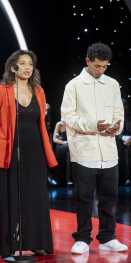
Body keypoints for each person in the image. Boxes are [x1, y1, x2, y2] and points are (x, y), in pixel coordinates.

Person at [0, 49, 57, 258]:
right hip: (8, 153)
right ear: (12, 67)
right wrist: (1, 140)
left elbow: (40, 122)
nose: (27, 67)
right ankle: (8, 247)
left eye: (30, 64)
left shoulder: (39, 91)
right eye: (22, 63)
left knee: (36, 198)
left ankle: (37, 242)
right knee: (9, 200)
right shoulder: (1, 90)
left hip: (35, 152)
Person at [61, 42, 128, 254]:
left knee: (110, 199)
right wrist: (92, 126)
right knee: (84, 198)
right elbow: (67, 117)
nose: (101, 70)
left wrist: (117, 127)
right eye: (98, 66)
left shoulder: (112, 84)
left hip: (108, 152)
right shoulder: (74, 86)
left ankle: (108, 237)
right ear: (88, 60)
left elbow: (119, 113)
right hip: (84, 151)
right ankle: (82, 238)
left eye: (105, 66)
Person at [53, 120, 73, 186]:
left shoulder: (72, 124)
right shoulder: (59, 124)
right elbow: (54, 139)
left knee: (68, 154)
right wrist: (64, 142)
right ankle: (69, 179)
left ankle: (69, 179)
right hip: (61, 147)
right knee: (70, 146)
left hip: (69, 148)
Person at [116, 98, 131, 186]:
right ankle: (121, 178)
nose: (123, 107)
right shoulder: (114, 118)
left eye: (125, 105)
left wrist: (129, 139)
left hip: (129, 141)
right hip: (120, 141)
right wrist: (124, 137)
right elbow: (114, 132)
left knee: (127, 151)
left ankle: (128, 178)